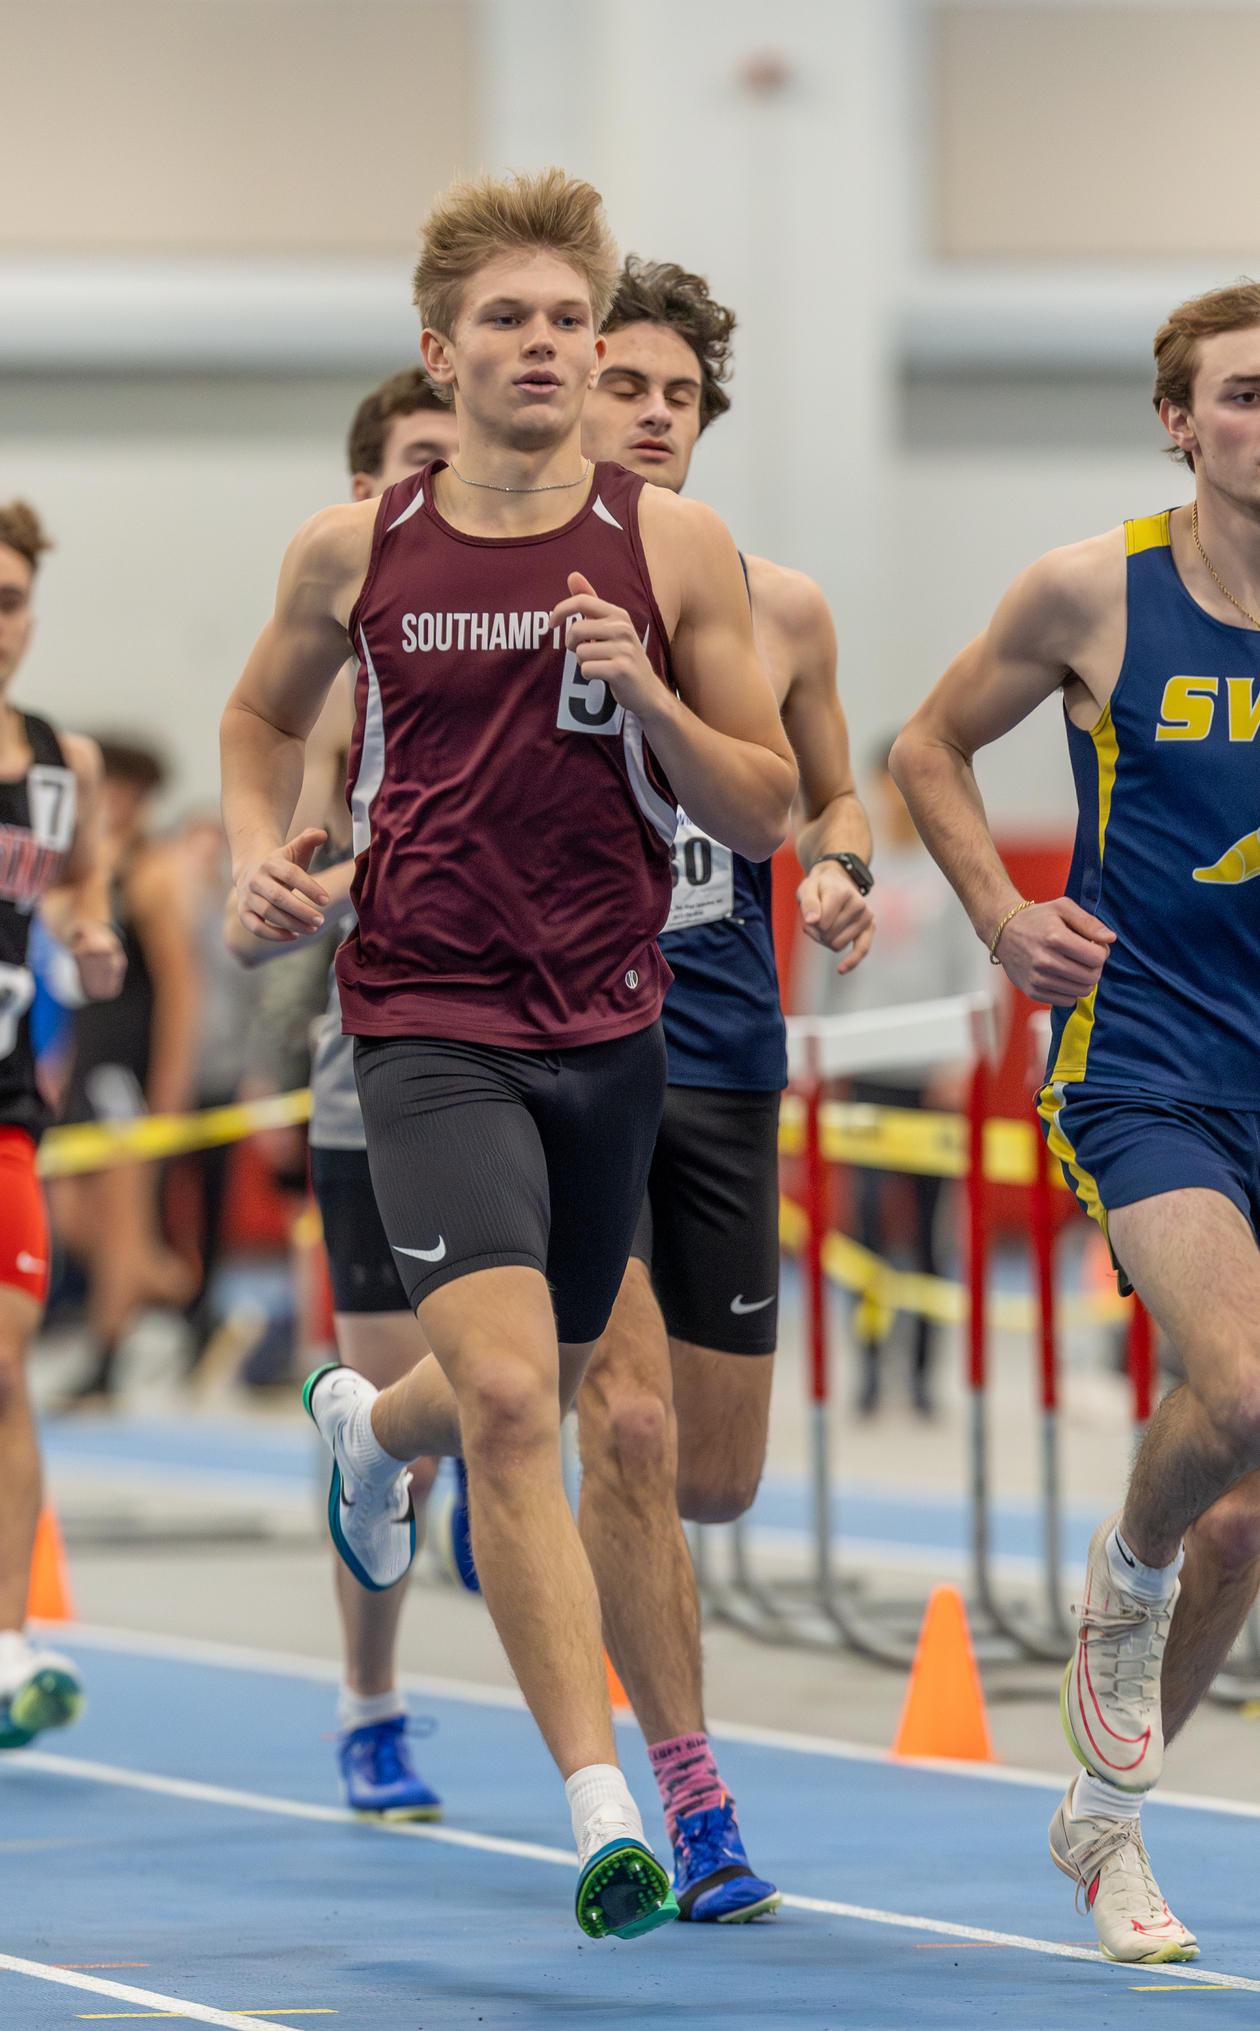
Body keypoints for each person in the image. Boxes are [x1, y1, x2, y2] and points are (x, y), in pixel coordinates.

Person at [891, 282, 1260, 1962]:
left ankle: (1105, 1826)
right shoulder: (1093, 591)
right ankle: (1125, 1566)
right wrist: (1005, 925)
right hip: (1141, 1053)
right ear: (1181, 419)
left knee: (1253, 1501)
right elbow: (927, 746)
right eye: (1247, 396)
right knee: (1241, 1392)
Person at [221, 170, 796, 1941]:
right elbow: (259, 713)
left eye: (569, 321)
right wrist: (259, 845)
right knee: (528, 1410)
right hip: (421, 1016)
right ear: (440, 350)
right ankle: (606, 1805)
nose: (544, 347)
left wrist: (653, 693)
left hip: (614, 1026)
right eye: (510, 322)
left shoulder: (674, 548)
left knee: (538, 1403)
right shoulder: (357, 544)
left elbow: (763, 805)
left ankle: (364, 1435)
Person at [567, 258, 874, 1919]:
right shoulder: (501, 590)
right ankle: (698, 1803)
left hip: (727, 1051)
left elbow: (835, 801)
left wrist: (839, 869)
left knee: (714, 1476)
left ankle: (439, 1439)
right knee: (619, 1427)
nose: (653, 416)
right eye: (627, 386)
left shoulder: (787, 605)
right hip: (566, 1040)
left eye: (679, 396)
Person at [223, 366, 460, 1820]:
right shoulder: (345, 685)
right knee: (386, 1426)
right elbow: (295, 857)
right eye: (413, 466)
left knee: (526, 1383)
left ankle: (504, 1465)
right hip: (373, 1069)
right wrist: (293, 874)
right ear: (366, 492)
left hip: (548, 1051)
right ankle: (369, 1697)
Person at [0, 501, 125, 1747]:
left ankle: (7, 1644)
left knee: (5, 1361)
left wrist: (88, 929)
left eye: (12, 601)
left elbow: (80, 876)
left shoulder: (56, 761)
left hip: (5, 1112)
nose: (0, 627)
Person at [814, 733, 993, 1416]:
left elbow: (975, 964)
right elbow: (819, 961)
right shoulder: (852, 868)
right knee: (861, 1225)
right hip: (863, 1066)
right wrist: (820, 1053)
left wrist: (961, 1058)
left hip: (928, 1072)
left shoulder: (946, 870)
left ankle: (921, 1371)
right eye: (881, 781)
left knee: (925, 1228)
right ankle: (865, 1366)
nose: (892, 795)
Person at [50, 741, 200, 1396]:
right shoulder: (88, 868)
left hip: (129, 1072)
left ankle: (105, 1356)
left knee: (117, 1221)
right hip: (91, 1061)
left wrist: (170, 1088)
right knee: (72, 1215)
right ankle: (178, 1289)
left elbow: (178, 988)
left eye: (121, 791)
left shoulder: (150, 872)